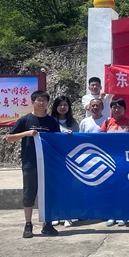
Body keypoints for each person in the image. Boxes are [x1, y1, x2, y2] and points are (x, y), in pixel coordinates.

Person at [5, 90, 61, 239]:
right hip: (30, 162)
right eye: (38, 100)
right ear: (32, 102)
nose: (41, 102)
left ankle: (47, 223)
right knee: (29, 193)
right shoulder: (25, 120)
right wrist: (26, 133)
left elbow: (58, 140)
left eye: (44, 100)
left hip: (48, 164)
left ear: (48, 103)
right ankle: (28, 224)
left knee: (48, 193)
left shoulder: (51, 121)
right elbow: (9, 138)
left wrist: (67, 134)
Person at [100, 98, 129, 227]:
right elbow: (100, 139)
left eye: (119, 107)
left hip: (125, 161)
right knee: (111, 189)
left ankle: (125, 215)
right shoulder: (106, 122)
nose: (116, 109)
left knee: (124, 189)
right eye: (114, 107)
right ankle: (112, 214)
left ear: (124, 109)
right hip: (109, 160)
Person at [50, 95, 79, 227]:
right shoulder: (50, 121)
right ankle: (56, 215)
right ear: (55, 107)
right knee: (55, 188)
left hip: (69, 161)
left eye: (65, 105)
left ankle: (68, 215)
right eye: (60, 104)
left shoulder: (74, 123)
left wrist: (70, 137)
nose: (62, 107)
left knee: (68, 188)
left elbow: (78, 141)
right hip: (53, 160)